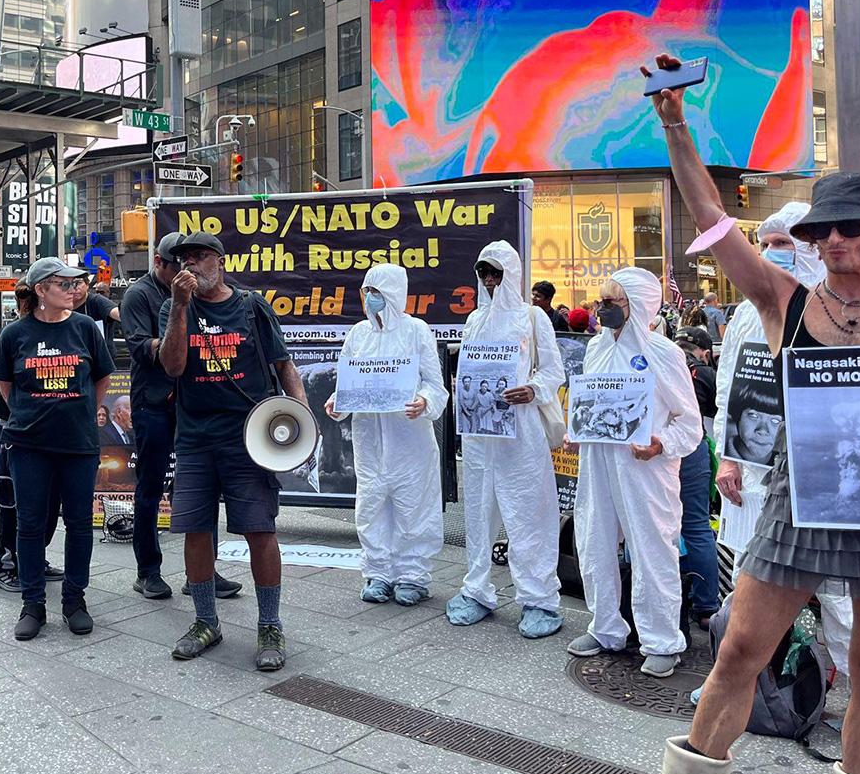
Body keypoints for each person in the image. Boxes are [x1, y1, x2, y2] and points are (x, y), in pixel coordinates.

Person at [642, 53, 860, 774]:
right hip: (799, 498)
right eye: (822, 229)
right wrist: (675, 126)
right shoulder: (784, 300)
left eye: (848, 227)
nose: (831, 240)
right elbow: (712, 220)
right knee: (738, 653)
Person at [712, 202, 854, 679]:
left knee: (836, 590)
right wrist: (727, 458)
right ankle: (742, 682)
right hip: (754, 472)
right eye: (767, 244)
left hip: (822, 475)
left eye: (784, 244)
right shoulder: (746, 316)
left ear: (810, 250)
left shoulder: (839, 312)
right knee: (747, 578)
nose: (772, 252)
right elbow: (729, 391)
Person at [158, 231, 309, 671]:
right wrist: (180, 307)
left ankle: (270, 625)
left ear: (220, 262)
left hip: (250, 439)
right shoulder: (175, 307)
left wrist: (301, 417)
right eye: (184, 259)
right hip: (195, 439)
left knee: (260, 530)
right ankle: (206, 621)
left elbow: (283, 364)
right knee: (195, 530)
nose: (191, 264)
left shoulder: (251, 306)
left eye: (200, 257)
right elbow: (172, 366)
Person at [567, 268, 703, 677]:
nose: (601, 308)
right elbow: (590, 402)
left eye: (611, 302)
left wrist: (661, 443)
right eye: (600, 300)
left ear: (638, 305)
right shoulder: (596, 347)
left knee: (651, 550)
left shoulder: (663, 352)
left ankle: (662, 640)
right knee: (593, 540)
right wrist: (578, 430)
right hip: (598, 464)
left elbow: (689, 422)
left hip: (646, 469)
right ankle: (605, 626)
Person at [447, 240, 566, 639]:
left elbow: (553, 370)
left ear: (510, 274)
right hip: (481, 434)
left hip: (521, 433)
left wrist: (533, 389)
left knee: (529, 512)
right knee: (479, 513)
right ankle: (477, 589)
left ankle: (539, 598)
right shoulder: (474, 320)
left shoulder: (533, 317)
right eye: (483, 272)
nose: (489, 280)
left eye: (496, 273)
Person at [0, 257, 114, 641]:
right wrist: (29, 414)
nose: (74, 290)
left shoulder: (85, 328)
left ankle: (75, 600)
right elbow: (6, 386)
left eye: (75, 284)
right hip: (28, 444)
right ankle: (33, 604)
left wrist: (84, 412)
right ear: (41, 289)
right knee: (30, 524)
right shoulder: (14, 334)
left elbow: (102, 376)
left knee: (79, 523)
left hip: (78, 444)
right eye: (64, 284)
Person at [121, 233, 241, 601]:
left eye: (190, 262)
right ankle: (148, 571)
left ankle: (203, 572)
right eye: (177, 264)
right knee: (151, 485)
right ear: (158, 263)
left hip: (190, 402)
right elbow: (140, 347)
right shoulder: (139, 295)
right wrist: (176, 331)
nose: (184, 270)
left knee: (203, 486)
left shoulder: (202, 292)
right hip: (154, 402)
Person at [324, 264, 448, 606]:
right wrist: (338, 403)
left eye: (376, 292)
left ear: (393, 294)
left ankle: (412, 576)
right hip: (370, 441)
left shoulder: (416, 331)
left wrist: (424, 401)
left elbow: (435, 385)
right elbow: (347, 384)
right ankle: (378, 573)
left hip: (410, 439)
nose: (370, 298)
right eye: (367, 291)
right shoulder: (358, 334)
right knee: (372, 506)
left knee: (413, 506)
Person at [0, 282, 64, 592]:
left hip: (50, 429)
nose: (24, 303)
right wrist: (29, 382)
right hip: (12, 428)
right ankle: (5, 562)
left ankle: (33, 557)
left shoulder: (57, 331)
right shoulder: (11, 333)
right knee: (12, 499)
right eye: (22, 297)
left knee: (49, 500)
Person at [673, 325, 720, 628]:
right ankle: (706, 608)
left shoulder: (655, 358)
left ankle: (670, 601)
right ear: (704, 352)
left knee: (657, 527)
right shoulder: (704, 373)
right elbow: (722, 409)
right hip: (692, 449)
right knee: (697, 526)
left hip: (654, 450)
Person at [73, 273, 121, 365]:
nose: (75, 287)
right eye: (69, 284)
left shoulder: (96, 301)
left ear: (87, 285)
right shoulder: (61, 303)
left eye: (78, 283)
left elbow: (117, 313)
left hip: (99, 361)